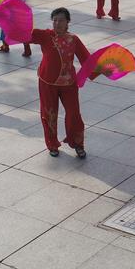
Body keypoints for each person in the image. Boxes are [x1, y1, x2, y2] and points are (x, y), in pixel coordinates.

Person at [29, 8, 90, 158]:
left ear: (68, 22)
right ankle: (52, 144)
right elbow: (25, 33)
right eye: (55, 20)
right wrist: (8, 20)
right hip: (47, 82)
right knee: (49, 114)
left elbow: (87, 60)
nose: (57, 23)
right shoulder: (45, 36)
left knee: (74, 114)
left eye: (61, 20)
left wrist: (103, 70)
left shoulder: (73, 39)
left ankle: (77, 143)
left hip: (69, 83)